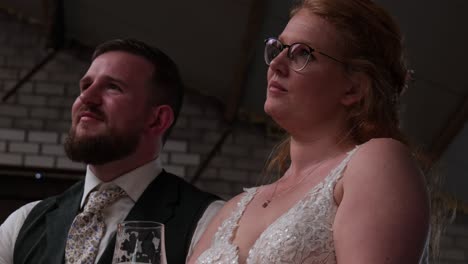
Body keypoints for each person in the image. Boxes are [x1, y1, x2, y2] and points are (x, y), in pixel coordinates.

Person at [188, 0, 430, 263]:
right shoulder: (232, 209)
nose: (276, 64)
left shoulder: (378, 162)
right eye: (278, 48)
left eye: (302, 53)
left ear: (353, 88)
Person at [0, 39, 223, 264]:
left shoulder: (209, 222)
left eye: (113, 87)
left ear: (157, 119)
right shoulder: (23, 223)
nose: (86, 98)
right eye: (85, 86)